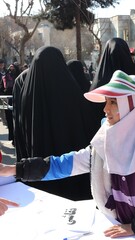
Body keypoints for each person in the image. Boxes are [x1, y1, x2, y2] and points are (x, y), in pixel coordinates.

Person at [0, 70, 135, 239]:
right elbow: (65, 164)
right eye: (106, 102)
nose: (105, 109)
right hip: (120, 228)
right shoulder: (105, 141)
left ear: (133, 105)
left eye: (113, 102)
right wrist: (15, 169)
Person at [17, 46, 99, 200]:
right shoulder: (71, 91)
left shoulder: (27, 93)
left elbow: (21, 132)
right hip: (72, 174)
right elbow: (85, 128)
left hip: (38, 174)